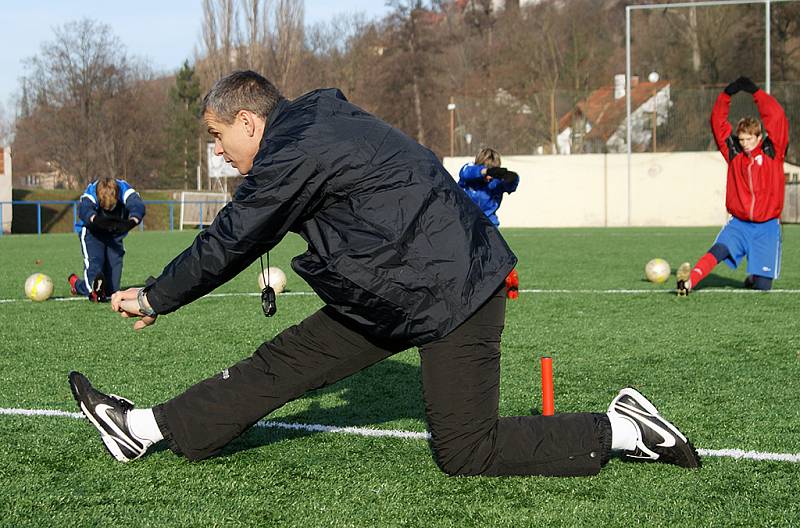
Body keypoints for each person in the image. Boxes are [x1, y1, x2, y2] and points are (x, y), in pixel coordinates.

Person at [68, 70, 699, 475]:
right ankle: (141, 428)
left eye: (217, 135)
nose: (216, 150)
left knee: (466, 452)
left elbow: (230, 240)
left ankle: (623, 428)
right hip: (394, 286)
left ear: (250, 122)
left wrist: (154, 296)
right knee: (282, 363)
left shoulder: (292, 153)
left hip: (453, 289)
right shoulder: (315, 120)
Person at [677, 76, 788, 296]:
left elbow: (777, 118)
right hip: (739, 224)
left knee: (762, 288)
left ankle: (755, 276)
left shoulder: (773, 152)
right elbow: (718, 124)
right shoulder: (734, 154)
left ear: (759, 137)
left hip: (767, 227)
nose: (744, 144)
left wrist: (756, 93)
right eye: (742, 139)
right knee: (718, 250)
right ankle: (688, 283)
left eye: (749, 139)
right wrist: (726, 95)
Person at [68, 178, 145, 302]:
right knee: (96, 263)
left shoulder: (124, 189)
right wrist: (97, 220)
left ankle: (77, 284)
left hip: (113, 235)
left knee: (112, 290)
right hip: (92, 233)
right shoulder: (91, 192)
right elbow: (85, 209)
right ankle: (92, 290)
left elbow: (137, 205)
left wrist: (132, 221)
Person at [458, 148, 520, 298]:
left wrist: (510, 177)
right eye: (487, 168)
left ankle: (509, 284)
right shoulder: (468, 175)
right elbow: (465, 172)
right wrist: (485, 172)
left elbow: (512, 183)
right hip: (465, 224)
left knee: (496, 257)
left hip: (489, 225)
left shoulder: (496, 184)